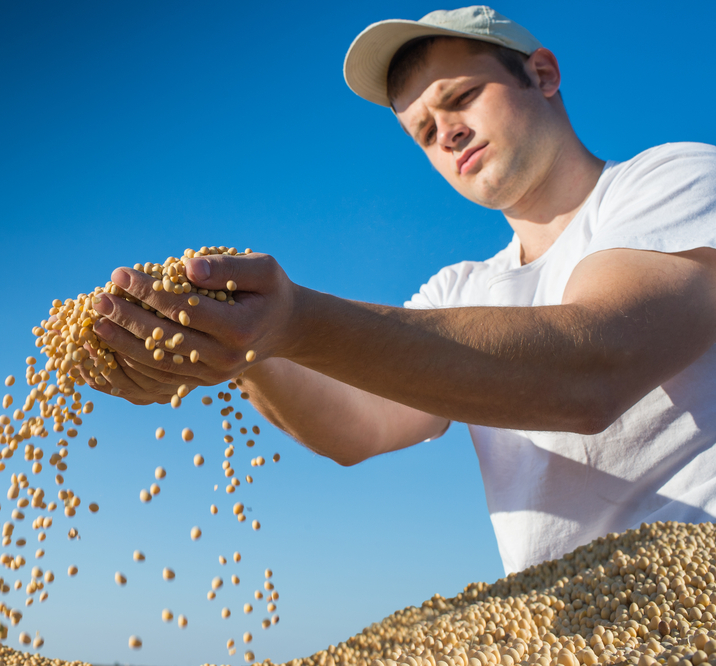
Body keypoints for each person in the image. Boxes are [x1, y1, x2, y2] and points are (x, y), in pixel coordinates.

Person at [82, 6, 716, 575]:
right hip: (566, 631)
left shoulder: (673, 179)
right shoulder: (461, 288)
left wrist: (292, 320)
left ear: (542, 74)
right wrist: (240, 346)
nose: (448, 133)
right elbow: (357, 426)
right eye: (424, 132)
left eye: (462, 97)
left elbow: (593, 368)